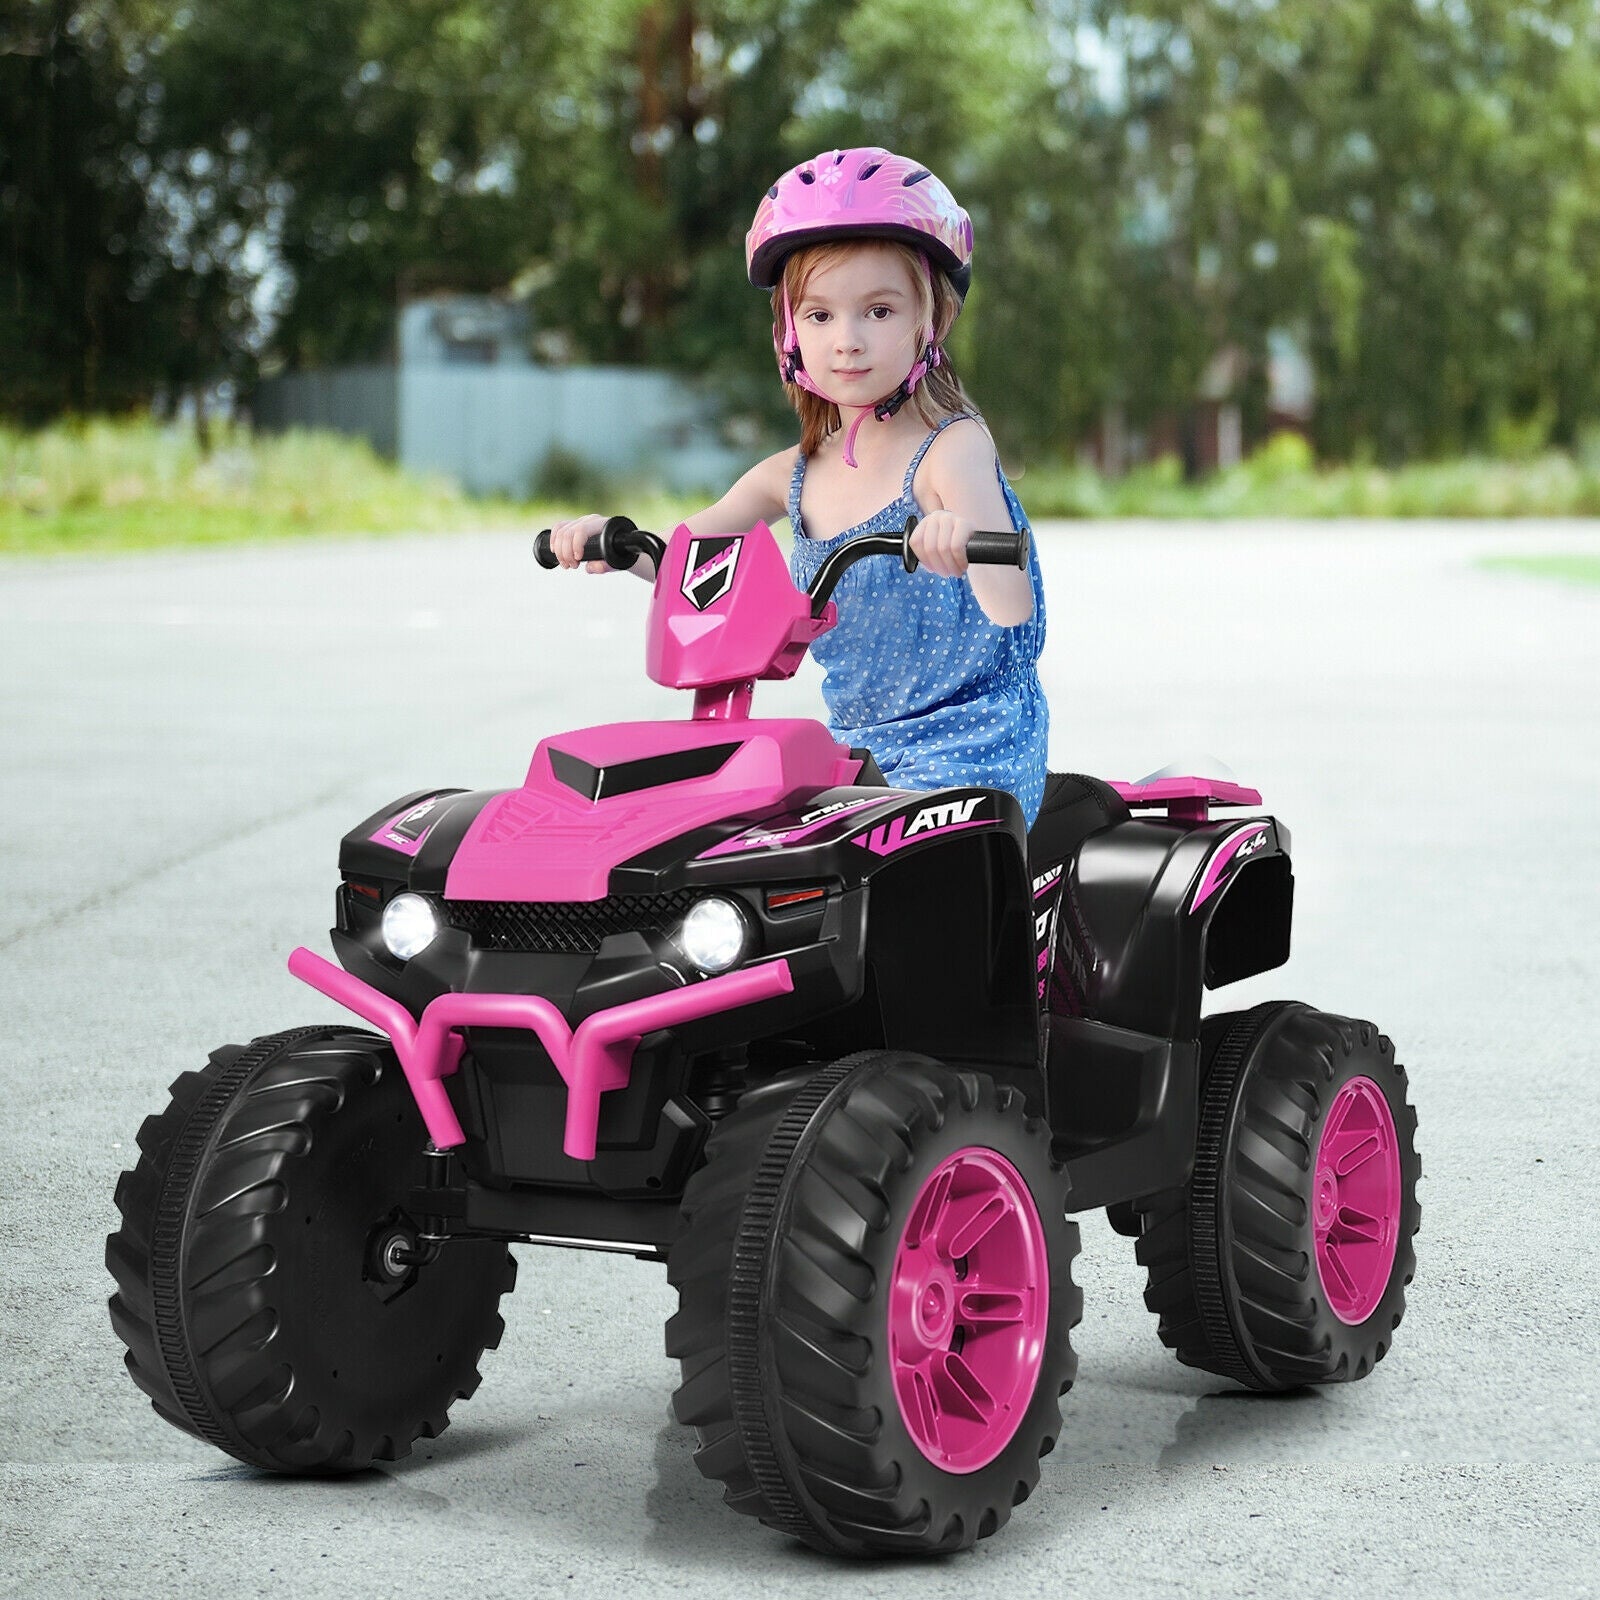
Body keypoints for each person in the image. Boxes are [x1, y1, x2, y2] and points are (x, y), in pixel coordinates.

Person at [549, 145, 1049, 827]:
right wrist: (616, 542)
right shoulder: (788, 474)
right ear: (791, 330)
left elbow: (1011, 602)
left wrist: (955, 537)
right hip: (857, 756)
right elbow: (691, 560)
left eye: (878, 311)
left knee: (900, 878)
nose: (847, 341)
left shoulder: (952, 447)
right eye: (820, 316)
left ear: (927, 319)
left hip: (971, 747)